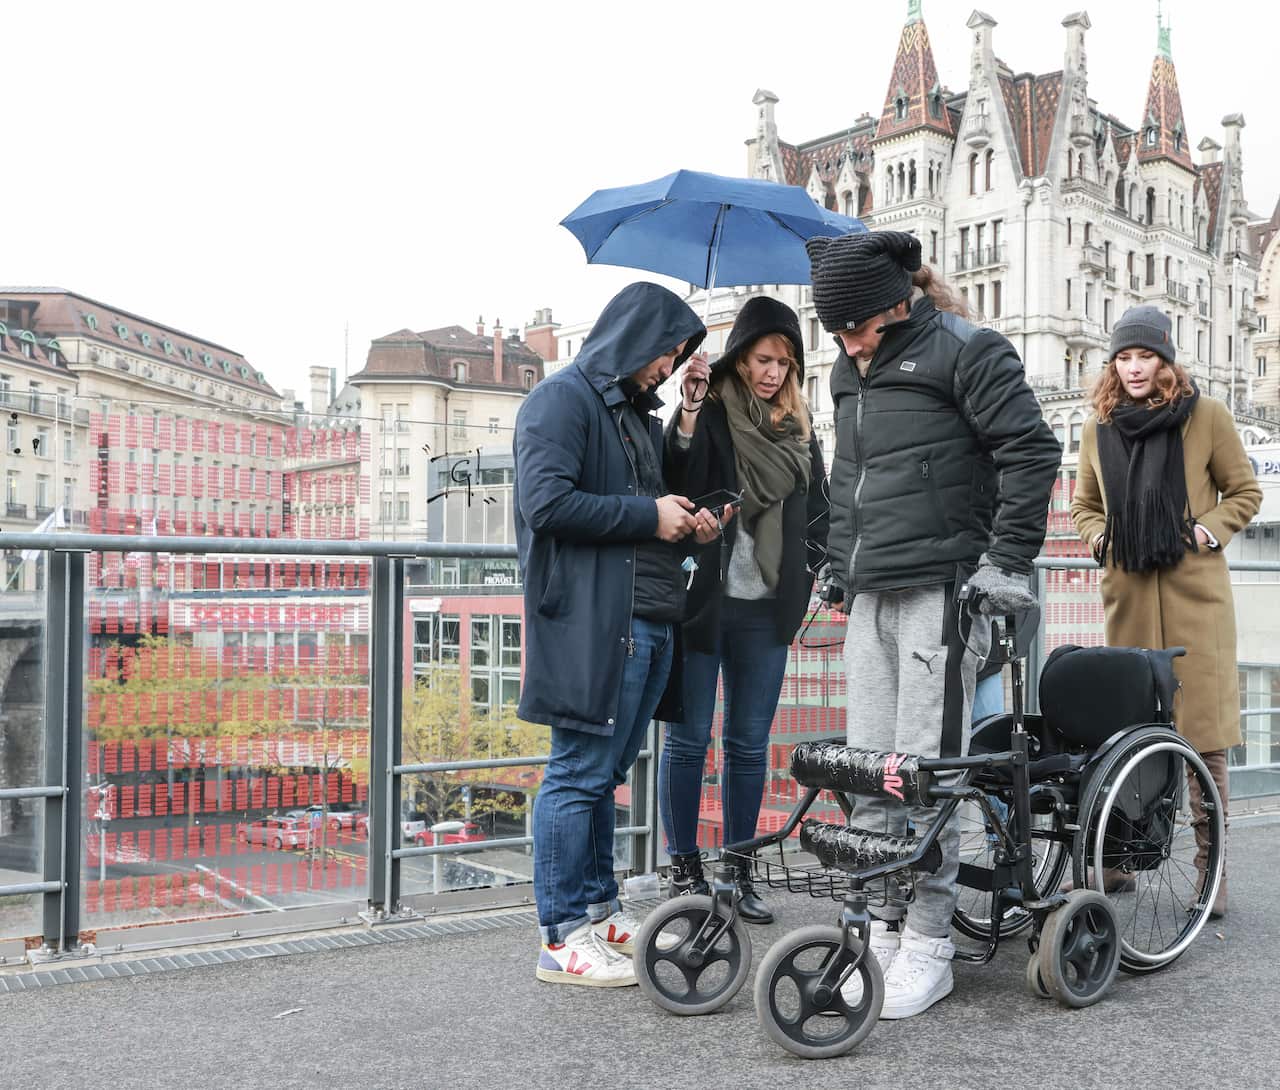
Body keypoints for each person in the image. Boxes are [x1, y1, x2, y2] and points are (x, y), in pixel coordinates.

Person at [806, 229, 1060, 1018]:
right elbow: (850, 476)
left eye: (856, 328)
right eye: (835, 333)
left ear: (895, 303)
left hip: (944, 592)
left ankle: (929, 942)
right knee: (869, 772)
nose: (847, 346)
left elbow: (1032, 451)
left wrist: (1007, 562)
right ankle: (882, 927)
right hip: (872, 594)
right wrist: (839, 566)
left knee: (925, 773)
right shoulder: (848, 369)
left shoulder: (968, 351)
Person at [513, 281, 724, 988]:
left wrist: (680, 520)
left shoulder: (631, 413)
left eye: (678, 356)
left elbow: (640, 507)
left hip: (643, 615)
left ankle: (599, 912)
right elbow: (547, 504)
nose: (668, 366)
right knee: (577, 774)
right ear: (635, 338)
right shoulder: (560, 400)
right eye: (666, 352)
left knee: (604, 776)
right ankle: (560, 936)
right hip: (591, 619)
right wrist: (648, 516)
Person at [1070, 305, 1261, 919]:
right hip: (1128, 602)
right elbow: (1084, 505)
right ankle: (1121, 859)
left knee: (1205, 741)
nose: (1134, 368)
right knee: (1127, 738)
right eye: (1124, 357)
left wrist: (1206, 531)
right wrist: (1100, 538)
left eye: (1145, 356)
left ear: (1166, 360)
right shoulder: (1097, 428)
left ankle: (1212, 870)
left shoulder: (1207, 416)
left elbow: (1245, 492)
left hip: (1196, 604)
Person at [657, 296, 829, 924]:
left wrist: (810, 570)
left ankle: (737, 870)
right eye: (762, 359)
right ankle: (684, 870)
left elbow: (820, 509)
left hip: (766, 608)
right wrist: (690, 406)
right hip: (704, 599)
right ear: (739, 360)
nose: (772, 373)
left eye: (784, 363)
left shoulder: (799, 429)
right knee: (687, 740)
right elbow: (674, 473)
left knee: (749, 745)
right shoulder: (711, 413)